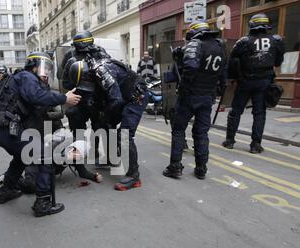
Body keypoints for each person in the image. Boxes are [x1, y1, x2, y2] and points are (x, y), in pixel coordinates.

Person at [0, 52, 81, 217]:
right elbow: (37, 97)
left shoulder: (27, 81)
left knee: (23, 156)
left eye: (48, 69)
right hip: (5, 128)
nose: (46, 73)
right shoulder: (27, 77)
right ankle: (43, 203)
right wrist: (63, 98)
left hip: (3, 129)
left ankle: (7, 190)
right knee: (43, 155)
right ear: (34, 66)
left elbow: (35, 115)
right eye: (44, 68)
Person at [162, 20, 226, 180]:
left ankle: (175, 167)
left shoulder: (195, 44)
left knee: (178, 130)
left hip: (190, 96)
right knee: (201, 132)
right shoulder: (219, 47)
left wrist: (183, 89)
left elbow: (190, 67)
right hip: (207, 97)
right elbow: (223, 75)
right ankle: (201, 168)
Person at [83, 51, 149, 190]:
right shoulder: (95, 71)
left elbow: (116, 99)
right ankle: (111, 158)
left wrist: (105, 114)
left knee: (124, 134)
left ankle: (133, 176)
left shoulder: (101, 71)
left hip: (135, 97)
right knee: (106, 124)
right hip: (125, 97)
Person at [222, 13, 285, 154]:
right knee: (259, 114)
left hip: (245, 81)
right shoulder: (275, 41)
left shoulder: (243, 41)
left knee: (236, 111)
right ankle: (255, 144)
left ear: (251, 25)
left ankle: (230, 141)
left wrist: (232, 78)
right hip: (264, 82)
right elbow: (278, 62)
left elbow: (232, 61)